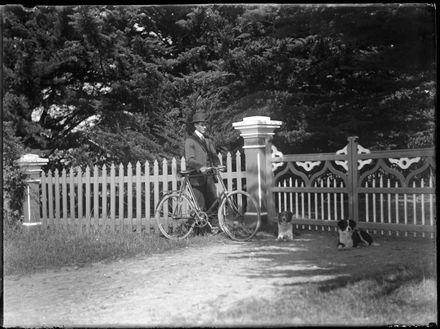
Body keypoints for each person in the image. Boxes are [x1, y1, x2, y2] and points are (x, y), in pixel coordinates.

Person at [184, 112, 220, 232]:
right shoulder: (190, 140)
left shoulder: (208, 140)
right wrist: (200, 166)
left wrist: (218, 165)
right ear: (196, 125)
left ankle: (214, 228)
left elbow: (214, 155)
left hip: (209, 175)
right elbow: (189, 160)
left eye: (205, 125)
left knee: (214, 202)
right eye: (202, 125)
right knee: (200, 205)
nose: (205, 127)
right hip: (197, 177)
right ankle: (198, 231)